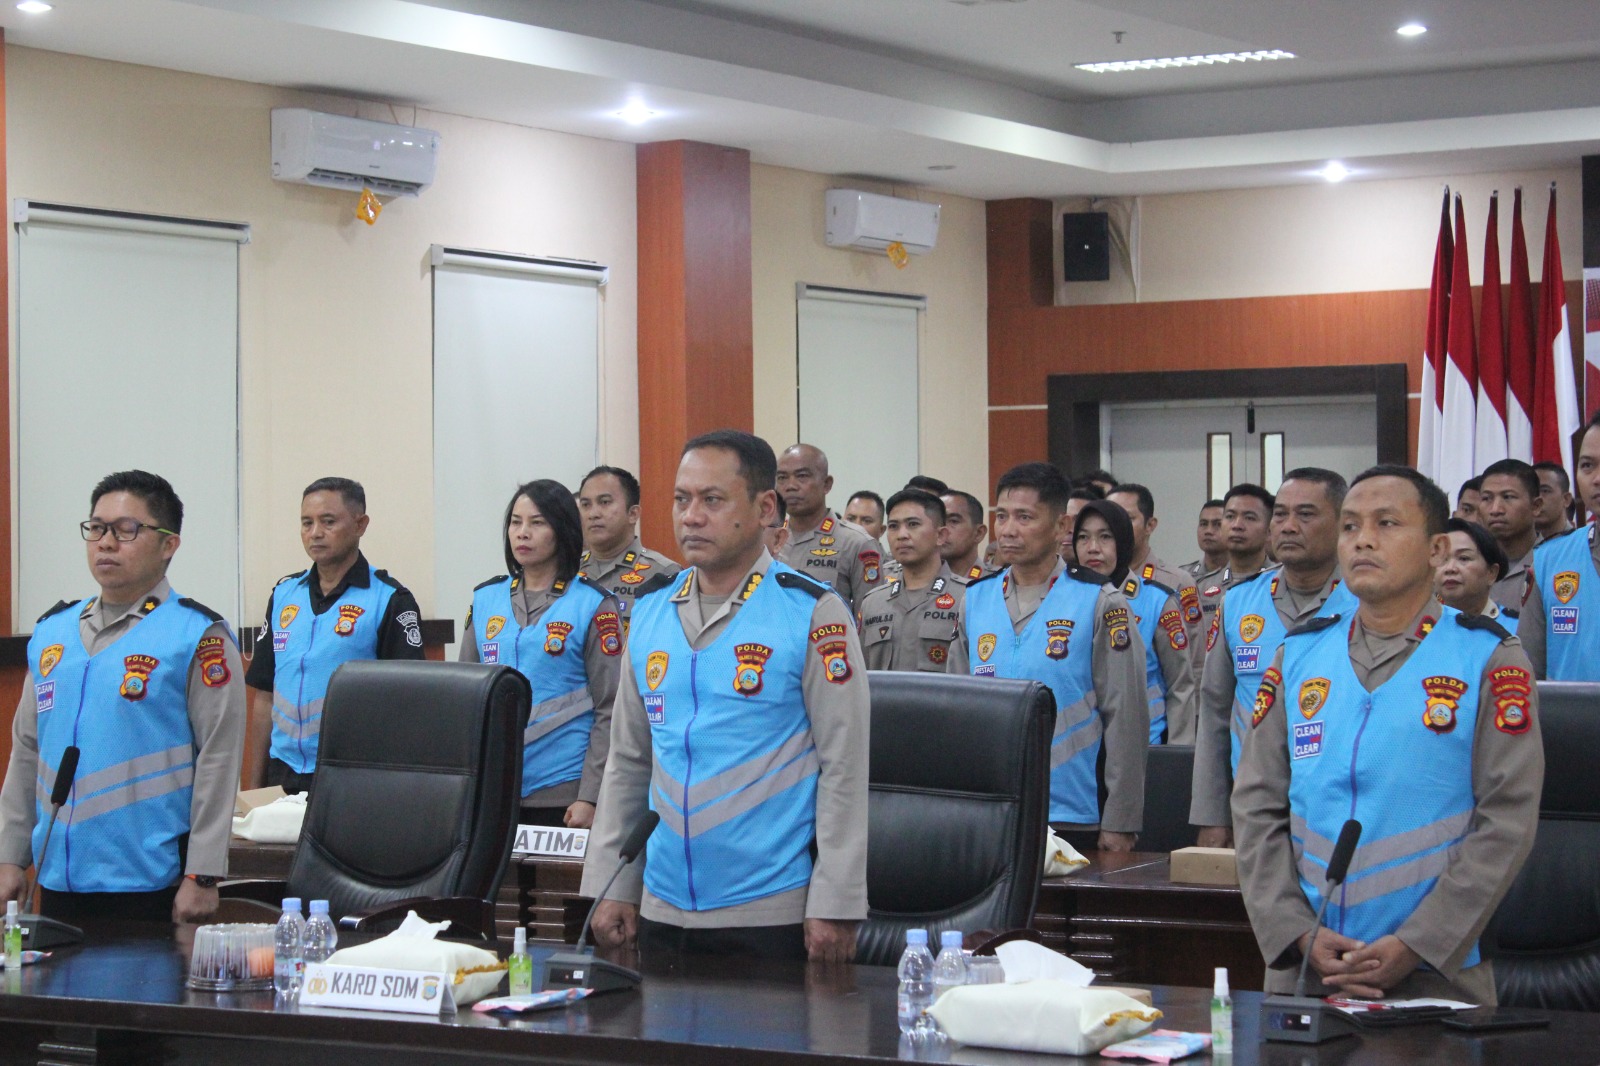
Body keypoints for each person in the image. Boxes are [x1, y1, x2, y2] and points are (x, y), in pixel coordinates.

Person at [1235, 465, 1542, 1004]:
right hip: (1309, 967)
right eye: (1350, 526)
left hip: (1436, 970)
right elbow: (1256, 804)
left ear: (1436, 548)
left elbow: (1507, 819)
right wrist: (1294, 929)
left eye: (1386, 523)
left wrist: (1420, 942)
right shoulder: (1298, 653)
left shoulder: (1488, 656)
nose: (1363, 540)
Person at [583, 430, 868, 962]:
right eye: (681, 499)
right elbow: (628, 759)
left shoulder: (810, 611)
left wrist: (836, 899)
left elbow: (844, 765)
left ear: (764, 509)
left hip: (770, 909)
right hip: (660, 905)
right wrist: (611, 882)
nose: (691, 517)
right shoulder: (650, 608)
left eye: (712, 500)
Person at [0, 471, 245, 924]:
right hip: (58, 881)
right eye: (97, 528)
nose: (106, 543)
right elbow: (27, 749)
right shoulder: (53, 634)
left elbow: (220, 756)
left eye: (126, 529)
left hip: (151, 883)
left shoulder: (196, 635)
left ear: (169, 544)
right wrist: (10, 855)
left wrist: (204, 872)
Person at [949, 463, 1148, 853]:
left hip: (1074, 811)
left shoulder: (1099, 600)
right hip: (989, 808)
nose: (1008, 530)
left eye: (1025, 517)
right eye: (1002, 516)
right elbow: (955, 711)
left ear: (1060, 527)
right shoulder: (975, 598)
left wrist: (1121, 819)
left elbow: (1126, 717)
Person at [1190, 468, 1353, 849]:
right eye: (1280, 514)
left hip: (1339, 807)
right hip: (1254, 807)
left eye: (1306, 515)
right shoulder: (1239, 602)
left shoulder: (1366, 602)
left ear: (1343, 524)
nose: (1289, 526)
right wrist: (1212, 815)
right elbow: (1214, 712)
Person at [243, 477, 424, 794]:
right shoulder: (284, 595)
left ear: (360, 525)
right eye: (306, 523)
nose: (315, 533)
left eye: (328, 522)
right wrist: (253, 787)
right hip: (282, 772)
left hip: (353, 776)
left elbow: (406, 709)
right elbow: (264, 696)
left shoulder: (389, 600)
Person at [461, 480, 623, 829]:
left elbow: (611, 707)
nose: (522, 533)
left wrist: (591, 795)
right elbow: (463, 699)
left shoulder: (593, 604)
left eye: (537, 523)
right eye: (515, 522)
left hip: (563, 791)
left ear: (562, 529)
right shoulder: (485, 599)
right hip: (492, 788)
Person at [1075, 499, 1194, 746]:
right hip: (1081, 750)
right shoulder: (1064, 601)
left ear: (1123, 540)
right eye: (1083, 537)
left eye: (1105, 537)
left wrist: (1178, 753)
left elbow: (1180, 685)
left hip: (1144, 746)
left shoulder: (1157, 601)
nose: (1092, 548)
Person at [1107, 483, 1204, 738]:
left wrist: (1183, 739)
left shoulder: (1175, 582)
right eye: (1111, 520)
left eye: (1127, 519)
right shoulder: (1092, 581)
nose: (1117, 528)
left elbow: (1193, 667)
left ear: (1150, 525)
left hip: (1156, 729)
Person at [1520, 412, 1600, 680]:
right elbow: (1530, 673)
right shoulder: (1548, 560)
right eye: (1587, 465)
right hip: (1564, 709)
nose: (1596, 478)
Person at [859, 489, 964, 671]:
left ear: (941, 535)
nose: (901, 535)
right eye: (893, 526)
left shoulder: (967, 597)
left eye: (913, 524)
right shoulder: (873, 602)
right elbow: (860, 674)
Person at [775, 444, 884, 614]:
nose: (790, 486)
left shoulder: (855, 542)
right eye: (782, 478)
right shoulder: (769, 538)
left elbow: (870, 618)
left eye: (802, 476)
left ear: (826, 484)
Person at [576, 465, 681, 627]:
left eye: (604, 502)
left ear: (633, 514)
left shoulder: (663, 573)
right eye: (585, 505)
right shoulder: (568, 570)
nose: (593, 514)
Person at [1198, 484, 1273, 627]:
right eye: (1230, 516)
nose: (1237, 525)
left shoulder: (1284, 583)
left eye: (1249, 518)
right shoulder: (1201, 587)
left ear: (1269, 530)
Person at [1477, 459, 1539, 620]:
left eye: (1508, 497)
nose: (1495, 509)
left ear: (1536, 506)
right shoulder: (1469, 564)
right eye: (1487, 498)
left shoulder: (1554, 563)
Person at [1436, 519, 1509, 619]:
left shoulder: (1516, 626)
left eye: (1463, 558)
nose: (1450, 568)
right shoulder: (1420, 626)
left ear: (1491, 573)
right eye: (1443, 559)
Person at [940, 490, 996, 585]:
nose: (942, 529)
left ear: (979, 533)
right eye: (938, 521)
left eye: (953, 521)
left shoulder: (999, 582)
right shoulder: (916, 583)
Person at [1183, 500, 1228, 582]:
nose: (1208, 531)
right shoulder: (1182, 576)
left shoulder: (1244, 576)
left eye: (1218, 524)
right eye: (1203, 524)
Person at [1532, 461, 1575, 541]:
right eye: (1531, 491)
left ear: (1566, 499)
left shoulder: (1584, 543)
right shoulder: (1517, 546)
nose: (1536, 499)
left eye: (1545, 491)